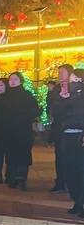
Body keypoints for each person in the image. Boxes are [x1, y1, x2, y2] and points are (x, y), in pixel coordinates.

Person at [2, 72, 41, 191]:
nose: (12, 81)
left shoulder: (27, 95)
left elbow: (36, 110)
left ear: (21, 81)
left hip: (23, 130)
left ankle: (22, 179)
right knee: (11, 154)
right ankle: (13, 178)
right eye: (10, 79)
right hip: (9, 131)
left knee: (22, 154)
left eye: (15, 79)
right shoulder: (5, 96)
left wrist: (25, 118)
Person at [54, 69, 84, 214]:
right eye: (71, 81)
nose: (73, 84)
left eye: (76, 80)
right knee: (70, 170)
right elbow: (56, 114)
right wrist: (61, 99)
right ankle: (77, 201)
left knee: (81, 171)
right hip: (67, 136)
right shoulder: (68, 96)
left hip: (80, 137)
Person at [48, 64, 73, 193]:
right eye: (58, 73)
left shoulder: (76, 88)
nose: (59, 75)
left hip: (72, 128)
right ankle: (60, 182)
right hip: (59, 127)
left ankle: (72, 183)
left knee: (72, 157)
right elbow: (51, 105)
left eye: (62, 72)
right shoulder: (56, 89)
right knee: (59, 156)